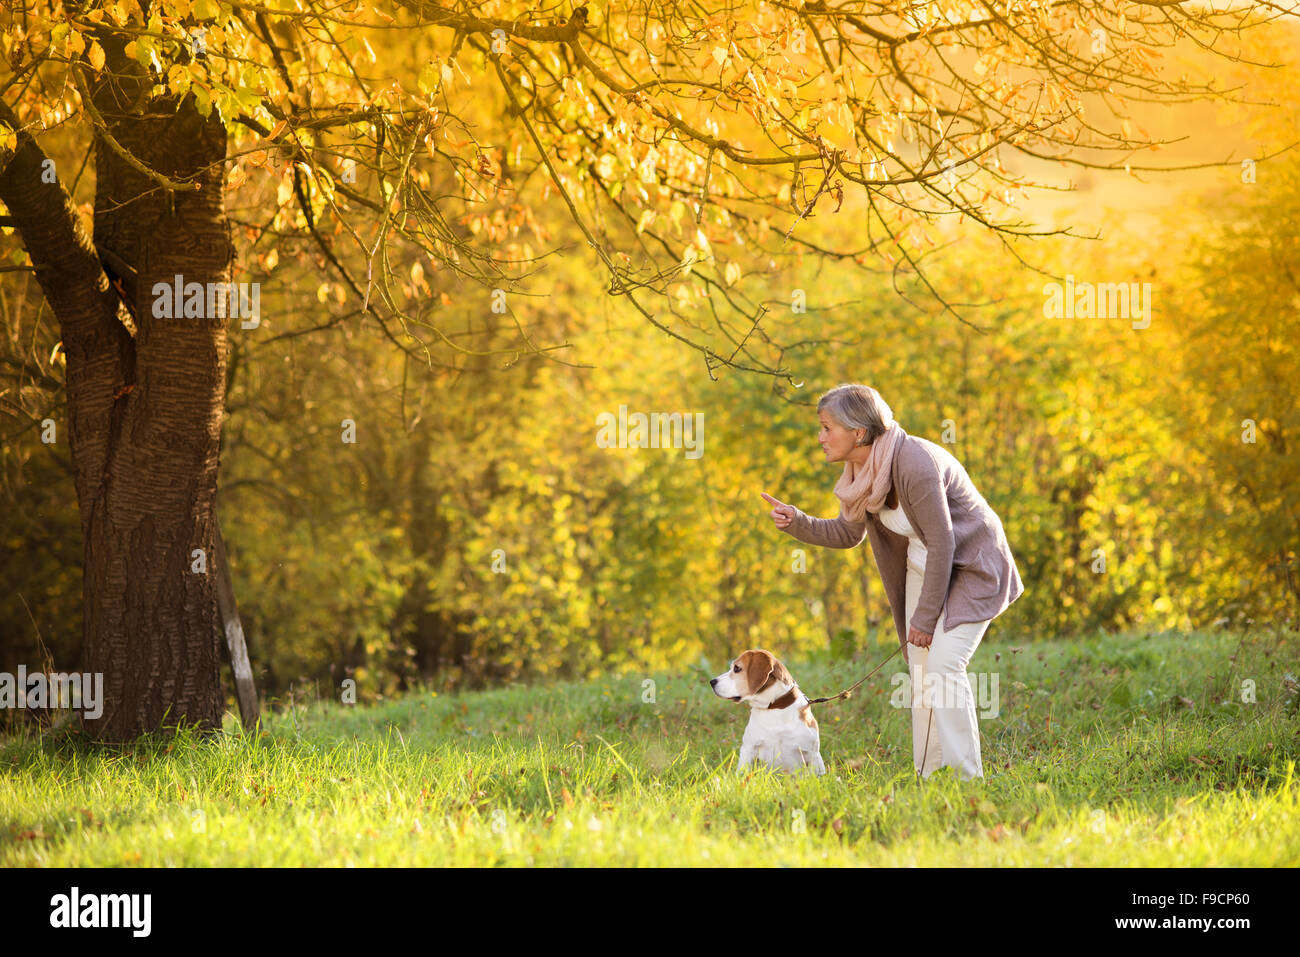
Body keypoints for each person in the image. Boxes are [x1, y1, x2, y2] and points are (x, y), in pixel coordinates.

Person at [761, 384, 1024, 779]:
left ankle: (967, 778)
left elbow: (943, 541)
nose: (820, 437)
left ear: (858, 432)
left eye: (826, 427)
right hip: (929, 565)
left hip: (971, 566)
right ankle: (931, 773)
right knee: (921, 671)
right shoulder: (861, 472)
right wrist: (797, 522)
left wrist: (924, 618)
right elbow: (848, 534)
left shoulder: (912, 463)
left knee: (944, 663)